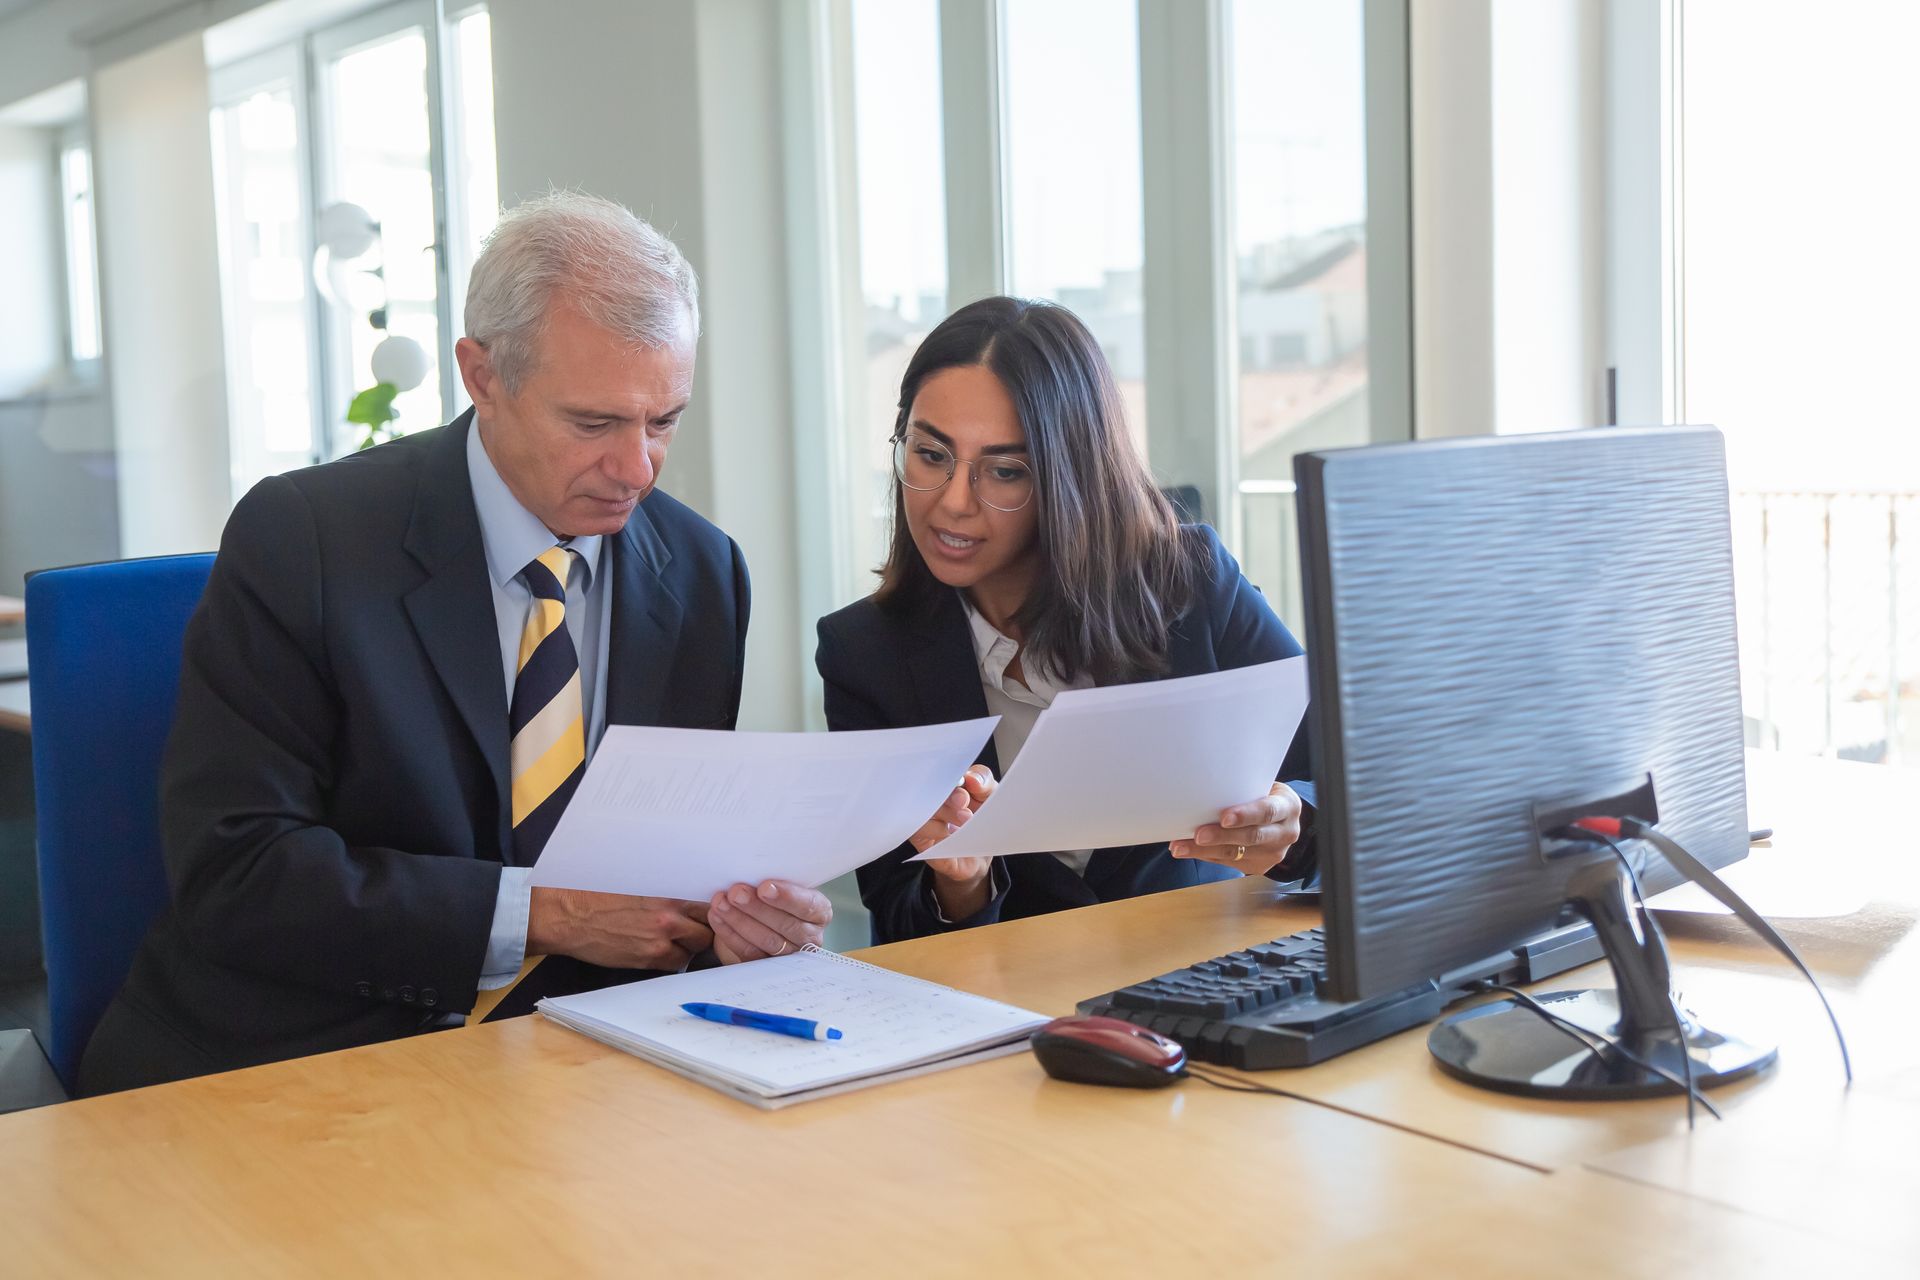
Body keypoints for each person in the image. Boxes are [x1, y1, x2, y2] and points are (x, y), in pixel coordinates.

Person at [79, 192, 829, 1094]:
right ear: (481, 375)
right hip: (305, 1059)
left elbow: (662, 863)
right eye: (593, 423)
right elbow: (239, 874)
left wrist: (735, 923)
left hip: (582, 1070)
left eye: (663, 421)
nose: (636, 469)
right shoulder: (307, 539)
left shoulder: (702, 572)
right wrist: (540, 915)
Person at [816, 296, 1314, 945]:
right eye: (931, 454)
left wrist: (1291, 821)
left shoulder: (1192, 582)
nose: (954, 503)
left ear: (1070, 475)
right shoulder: (864, 652)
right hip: (1004, 1011)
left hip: (1202, 981)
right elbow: (896, 914)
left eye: (1004, 470)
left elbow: (1349, 780)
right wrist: (961, 883)